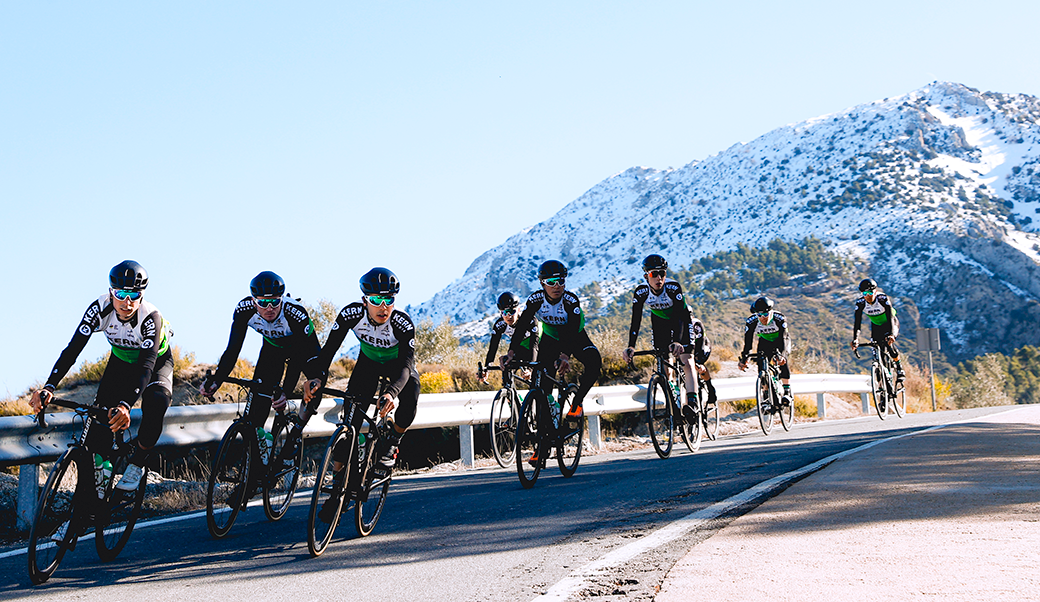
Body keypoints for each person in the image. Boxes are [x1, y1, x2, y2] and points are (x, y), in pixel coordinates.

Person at [29, 260, 173, 495]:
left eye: (134, 295)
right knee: (96, 434)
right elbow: (73, 349)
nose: (127, 302)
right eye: (121, 294)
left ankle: (137, 462)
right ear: (110, 292)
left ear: (142, 295)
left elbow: (146, 366)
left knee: (156, 402)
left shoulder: (150, 317)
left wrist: (126, 404)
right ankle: (88, 505)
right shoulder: (99, 308)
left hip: (155, 364)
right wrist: (49, 386)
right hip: (120, 362)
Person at [199, 271, 323, 470]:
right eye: (263, 303)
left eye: (275, 302)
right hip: (272, 349)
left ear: (282, 299)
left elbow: (297, 359)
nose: (270, 308)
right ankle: (257, 467)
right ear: (253, 301)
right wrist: (218, 380)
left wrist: (286, 391)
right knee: (258, 401)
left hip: (304, 350)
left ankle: (293, 437)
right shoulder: (243, 310)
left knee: (317, 386)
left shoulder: (294, 313)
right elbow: (232, 350)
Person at [306, 267, 420, 482]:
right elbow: (328, 351)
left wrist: (391, 393)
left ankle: (393, 442)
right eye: (376, 300)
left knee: (412, 395)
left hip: (398, 367)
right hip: (368, 364)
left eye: (389, 299)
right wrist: (317, 377)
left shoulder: (402, 323)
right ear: (365, 300)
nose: (383, 307)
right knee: (350, 424)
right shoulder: (351, 314)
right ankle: (338, 480)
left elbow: (406, 366)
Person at [507, 260, 601, 463]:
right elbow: (522, 326)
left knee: (594, 362)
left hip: (574, 337)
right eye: (551, 281)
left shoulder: (570, 301)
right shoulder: (535, 300)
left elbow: (572, 330)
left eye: (561, 280)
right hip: (549, 340)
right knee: (541, 389)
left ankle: (575, 405)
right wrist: (511, 352)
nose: (557, 285)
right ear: (542, 283)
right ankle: (543, 444)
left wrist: (565, 356)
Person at [621, 254, 717, 424]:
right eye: (654, 274)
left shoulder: (673, 288)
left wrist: (679, 341)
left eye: (662, 274)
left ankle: (692, 402)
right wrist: (631, 346)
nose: (659, 278)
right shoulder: (641, 292)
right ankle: (674, 403)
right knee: (664, 367)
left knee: (687, 360)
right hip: (660, 323)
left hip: (681, 320)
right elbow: (635, 320)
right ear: (646, 276)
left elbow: (681, 316)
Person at [737, 296, 793, 406]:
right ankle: (766, 395)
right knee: (761, 365)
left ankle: (787, 392)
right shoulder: (751, 321)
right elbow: (748, 343)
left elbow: (784, 338)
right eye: (760, 315)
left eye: (766, 315)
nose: (763, 318)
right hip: (765, 341)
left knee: (782, 361)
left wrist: (781, 355)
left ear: (771, 312)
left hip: (780, 340)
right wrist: (744, 359)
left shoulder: (779, 318)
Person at [851, 278, 905, 382]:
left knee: (888, 344)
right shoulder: (860, 303)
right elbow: (857, 323)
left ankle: (899, 368)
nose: (868, 296)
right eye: (865, 293)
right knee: (877, 351)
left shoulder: (882, 299)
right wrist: (855, 339)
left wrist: (891, 335)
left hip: (890, 323)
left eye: (870, 292)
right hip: (876, 326)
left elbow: (890, 317)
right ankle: (884, 380)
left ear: (875, 291)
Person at [478, 292, 539, 382]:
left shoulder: (529, 321)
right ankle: (509, 391)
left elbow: (534, 345)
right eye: (504, 313)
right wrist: (487, 368)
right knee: (506, 362)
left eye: (512, 312)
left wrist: (530, 369)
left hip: (537, 347)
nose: (508, 316)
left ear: (518, 310)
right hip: (520, 348)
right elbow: (493, 347)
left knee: (535, 376)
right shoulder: (500, 325)